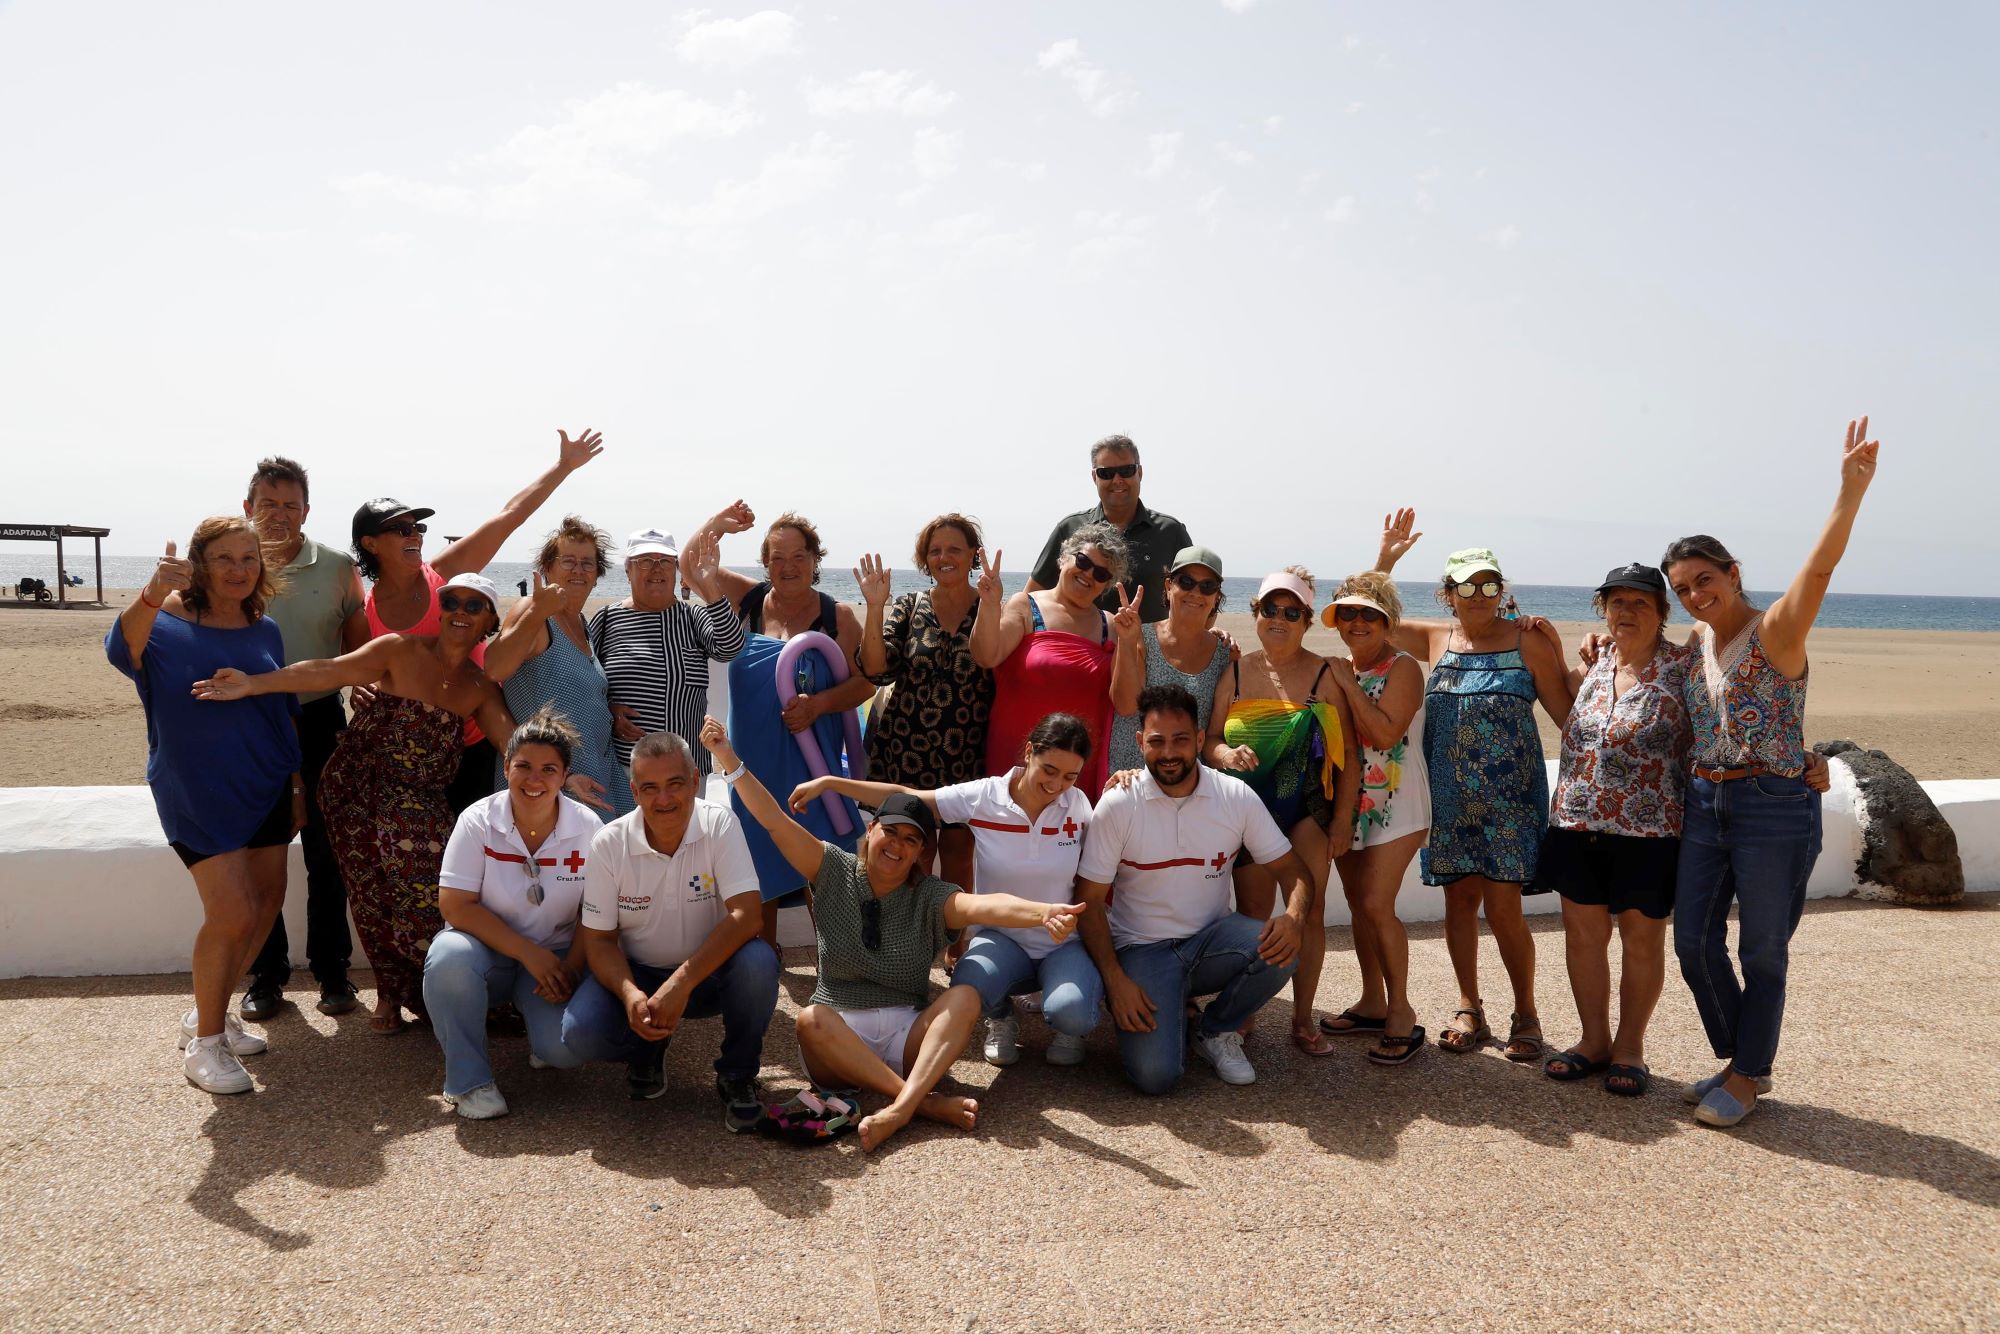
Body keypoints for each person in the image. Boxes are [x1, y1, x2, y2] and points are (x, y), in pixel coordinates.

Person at [194, 574, 564, 1034]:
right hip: (356, 791)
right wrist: (254, 684)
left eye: (474, 606)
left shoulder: (478, 687)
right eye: (452, 602)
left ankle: (438, 992)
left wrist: (561, 778)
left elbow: (514, 748)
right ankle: (390, 995)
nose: (460, 613)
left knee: (429, 897)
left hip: (419, 803)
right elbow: (328, 670)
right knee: (372, 899)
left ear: (489, 620)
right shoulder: (399, 650)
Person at [701, 717, 1084, 1151]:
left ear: (922, 852)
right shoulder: (831, 868)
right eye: (891, 832)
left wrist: (1047, 912)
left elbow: (990, 904)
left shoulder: (930, 895)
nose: (897, 845)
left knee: (965, 997)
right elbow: (772, 820)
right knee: (810, 1021)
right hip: (839, 1040)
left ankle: (899, 1107)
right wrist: (728, 759)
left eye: (911, 840)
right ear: (871, 829)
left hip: (908, 1038)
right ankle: (919, 1103)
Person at [1661, 419, 1880, 1127]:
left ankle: (1749, 1074)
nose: (1695, 596)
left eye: (1705, 581)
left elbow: (1817, 574)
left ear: (1733, 574)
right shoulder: (1696, 638)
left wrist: (1848, 496)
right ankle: (1741, 1058)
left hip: (1773, 806)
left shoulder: (1776, 631)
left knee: (1761, 949)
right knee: (1692, 942)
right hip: (1706, 801)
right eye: (1683, 588)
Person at [108, 519, 302, 1094]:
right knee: (234, 913)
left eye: (249, 558)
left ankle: (208, 1011)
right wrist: (148, 592)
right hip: (194, 788)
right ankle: (207, 1045)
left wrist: (296, 786)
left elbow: (281, 707)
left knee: (267, 903)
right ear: (199, 563)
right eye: (224, 559)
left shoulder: (263, 627)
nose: (239, 569)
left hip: (265, 782)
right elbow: (123, 650)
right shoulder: (164, 620)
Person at [792, 712, 1098, 1069]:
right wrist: (833, 783)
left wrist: (1130, 780)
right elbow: (908, 798)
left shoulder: (1079, 805)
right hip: (1002, 938)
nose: (1057, 784)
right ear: (1029, 752)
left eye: (1070, 776)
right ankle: (1000, 1017)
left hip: (1062, 941)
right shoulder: (985, 796)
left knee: (1073, 1013)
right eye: (1049, 770)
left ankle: (1067, 1026)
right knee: (967, 987)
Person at [1374, 520, 1574, 1062]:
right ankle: (1469, 1007)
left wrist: (1567, 657)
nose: (1480, 595)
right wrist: (1386, 559)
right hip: (1450, 799)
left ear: (1501, 590)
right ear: (1448, 594)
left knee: (1504, 905)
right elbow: (1372, 619)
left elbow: (1566, 715)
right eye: (1467, 586)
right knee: (1459, 900)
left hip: (1510, 802)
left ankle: (1525, 1012)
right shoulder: (1437, 638)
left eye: (1490, 585)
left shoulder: (1525, 639)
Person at [1077, 684, 1316, 1093]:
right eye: (1157, 741)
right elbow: (1090, 902)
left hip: (1211, 943)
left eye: (1181, 740)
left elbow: (1294, 870)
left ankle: (1216, 1029)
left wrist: (1293, 918)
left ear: (1201, 740)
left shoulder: (1235, 796)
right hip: (1142, 950)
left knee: (1281, 949)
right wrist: (1115, 982)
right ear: (1140, 743)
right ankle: (1167, 1006)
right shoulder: (1119, 803)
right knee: (1156, 1078)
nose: (1169, 753)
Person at [351, 427, 603, 815]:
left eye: (418, 527)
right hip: (411, 755)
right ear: (370, 544)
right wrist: (360, 685)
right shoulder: (363, 611)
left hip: (477, 739)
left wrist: (563, 466)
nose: (415, 535)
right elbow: (355, 667)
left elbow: (509, 516)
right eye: (401, 529)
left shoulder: (443, 573)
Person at [561, 730, 779, 1131]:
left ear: (696, 781)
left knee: (759, 963)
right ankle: (647, 1045)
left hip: (709, 975)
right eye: (650, 788)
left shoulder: (719, 824)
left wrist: (680, 983)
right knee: (579, 1033)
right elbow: (599, 939)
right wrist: (631, 996)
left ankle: (737, 1074)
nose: (663, 799)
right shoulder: (609, 843)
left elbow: (748, 916)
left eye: (674, 785)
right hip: (639, 973)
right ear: (635, 791)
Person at [1536, 565, 1694, 1097]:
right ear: (1603, 608)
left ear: (1661, 613)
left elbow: (1725, 725)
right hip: (1577, 821)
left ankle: (1629, 1048)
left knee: (1641, 941)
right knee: (1583, 938)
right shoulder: (1597, 660)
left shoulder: (1684, 667)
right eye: (1616, 602)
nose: (1626, 612)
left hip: (1649, 831)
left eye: (1640, 604)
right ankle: (1592, 1041)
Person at [1206, 569, 1360, 1057]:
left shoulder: (1325, 674)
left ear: (1306, 621)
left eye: (1291, 612)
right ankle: (1245, 1010)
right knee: (1253, 916)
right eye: (1270, 609)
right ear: (1256, 613)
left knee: (1308, 913)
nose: (1279, 619)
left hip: (1308, 808)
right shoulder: (1233, 671)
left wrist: (1343, 820)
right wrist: (1225, 755)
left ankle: (1301, 1017)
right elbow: (1209, 740)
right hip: (1249, 810)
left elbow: (1350, 756)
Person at [421, 707, 601, 1120]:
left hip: (554, 958)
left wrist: (569, 969)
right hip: (487, 953)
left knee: (565, 1052)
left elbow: (596, 912)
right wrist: (526, 952)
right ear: (506, 766)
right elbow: (454, 904)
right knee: (448, 958)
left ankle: (542, 1042)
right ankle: (469, 1082)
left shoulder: (588, 827)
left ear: (565, 774)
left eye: (548, 769)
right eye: (523, 766)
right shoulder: (478, 820)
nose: (534, 779)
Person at [239, 456, 369, 1022]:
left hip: (320, 721)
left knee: (326, 852)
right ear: (248, 508)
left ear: (307, 511)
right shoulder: (229, 564)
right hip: (247, 726)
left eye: (291, 504)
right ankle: (266, 976)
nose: (279, 515)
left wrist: (364, 686)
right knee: (258, 855)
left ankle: (333, 970)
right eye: (267, 503)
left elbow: (357, 648)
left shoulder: (338, 566)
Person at [706, 512, 876, 945]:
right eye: (778, 556)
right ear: (765, 562)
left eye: (799, 556)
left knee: (823, 861)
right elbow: (692, 565)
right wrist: (718, 525)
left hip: (813, 761)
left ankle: (836, 964)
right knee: (756, 855)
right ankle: (764, 960)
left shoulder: (837, 616)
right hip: (752, 761)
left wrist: (819, 705)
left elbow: (862, 684)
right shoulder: (748, 600)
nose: (789, 565)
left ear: (815, 559)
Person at [1319, 570, 1430, 1064]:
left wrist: (1344, 682)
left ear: (1387, 621)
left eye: (1369, 613)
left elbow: (1385, 735)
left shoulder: (1403, 667)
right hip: (1350, 804)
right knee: (1359, 905)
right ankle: (1371, 1001)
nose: (1358, 622)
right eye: (1349, 613)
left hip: (1398, 804)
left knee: (1375, 903)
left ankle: (1402, 1011)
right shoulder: (1342, 667)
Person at [854, 514, 995, 893]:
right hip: (907, 749)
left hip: (966, 752)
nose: (943, 557)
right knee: (914, 851)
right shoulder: (910, 605)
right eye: (935, 551)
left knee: (959, 852)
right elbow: (875, 669)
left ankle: (955, 945)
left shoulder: (991, 606)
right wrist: (874, 606)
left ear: (973, 556)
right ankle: (906, 939)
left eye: (954, 549)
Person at [973, 524, 1144, 801]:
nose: (1088, 574)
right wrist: (990, 604)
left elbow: (1126, 704)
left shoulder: (1110, 625)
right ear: (1064, 557)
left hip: (1075, 771)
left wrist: (1127, 640)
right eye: (1083, 561)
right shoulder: (1026, 606)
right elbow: (986, 655)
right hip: (1016, 761)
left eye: (1101, 574)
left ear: (1107, 585)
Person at [588, 511, 750, 797]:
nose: (656, 569)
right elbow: (587, 685)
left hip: (685, 770)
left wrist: (710, 585)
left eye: (665, 562)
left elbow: (730, 647)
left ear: (675, 569)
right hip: (626, 770)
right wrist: (610, 710)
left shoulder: (692, 616)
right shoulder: (607, 619)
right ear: (628, 571)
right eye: (645, 562)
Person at [484, 516, 621, 813]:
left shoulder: (583, 626)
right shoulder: (536, 614)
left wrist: (612, 715)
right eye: (568, 560)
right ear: (548, 568)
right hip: (545, 782)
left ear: (597, 574)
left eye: (587, 563)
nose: (578, 570)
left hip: (591, 775)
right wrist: (535, 613)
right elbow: (494, 668)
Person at [1028, 434, 1193, 624]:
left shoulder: (1171, 532)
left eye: (1126, 471)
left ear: (1139, 473)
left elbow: (1202, 596)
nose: (1117, 480)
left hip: (1148, 651)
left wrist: (1212, 636)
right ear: (1094, 477)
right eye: (1106, 473)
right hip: (1083, 650)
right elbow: (1031, 599)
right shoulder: (1069, 528)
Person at [1106, 545, 1233, 778]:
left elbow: (1217, 732)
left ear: (1216, 596)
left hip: (1187, 784)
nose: (1196, 592)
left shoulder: (1226, 654)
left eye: (1207, 586)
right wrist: (1126, 641)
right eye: (1186, 582)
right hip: (1130, 778)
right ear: (1168, 586)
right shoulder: (1140, 638)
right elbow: (1125, 706)